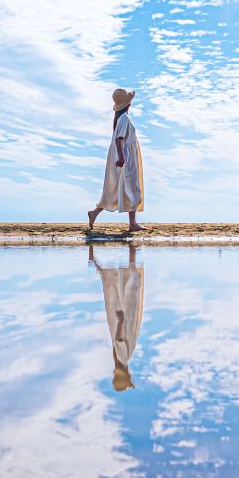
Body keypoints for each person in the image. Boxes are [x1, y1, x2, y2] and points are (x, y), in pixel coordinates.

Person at [88, 244, 144, 392]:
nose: (113, 374)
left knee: (117, 291)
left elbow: (119, 341)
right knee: (119, 292)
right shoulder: (123, 360)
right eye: (115, 378)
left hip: (120, 321)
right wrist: (120, 320)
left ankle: (100, 260)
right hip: (120, 319)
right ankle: (129, 253)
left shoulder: (124, 360)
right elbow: (119, 339)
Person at [88, 88, 145, 232]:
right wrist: (121, 157)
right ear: (128, 104)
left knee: (117, 187)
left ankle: (94, 213)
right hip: (126, 158)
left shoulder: (120, 119)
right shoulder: (124, 118)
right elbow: (119, 139)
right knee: (133, 188)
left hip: (124, 156)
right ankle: (132, 224)